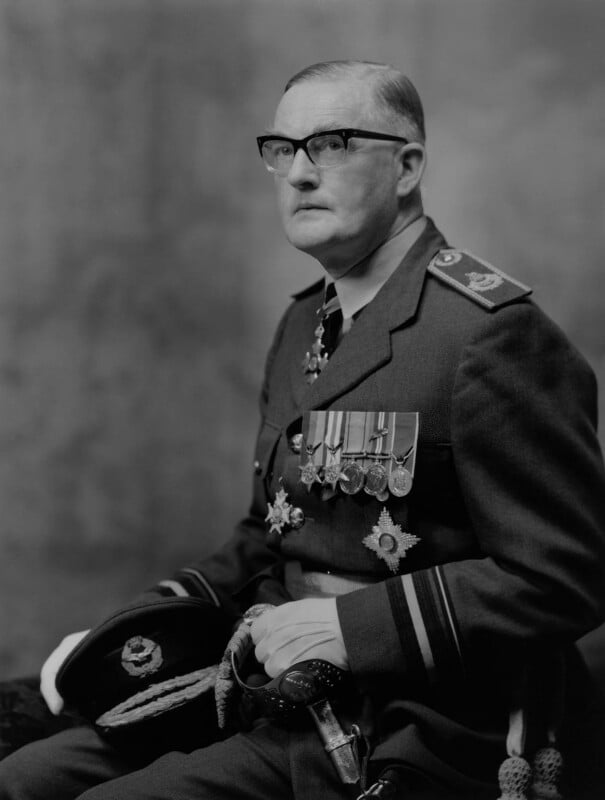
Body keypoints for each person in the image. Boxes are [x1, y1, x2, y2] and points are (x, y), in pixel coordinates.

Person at [1, 59, 605, 800]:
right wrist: (127, 631)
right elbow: (269, 533)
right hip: (272, 684)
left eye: (332, 144)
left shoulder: (488, 333)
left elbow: (565, 576)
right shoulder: (302, 324)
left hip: (420, 715)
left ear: (408, 166)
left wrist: (354, 628)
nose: (297, 173)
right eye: (282, 148)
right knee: (22, 781)